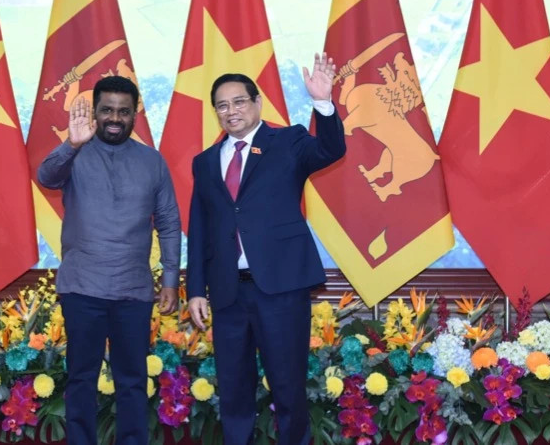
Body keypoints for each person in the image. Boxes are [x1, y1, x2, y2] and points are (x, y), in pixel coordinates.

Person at [186, 53, 345, 445]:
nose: (231, 111)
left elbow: (330, 150)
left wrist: (323, 104)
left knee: (288, 386)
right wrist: (194, 290)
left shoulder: (287, 141)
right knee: (234, 389)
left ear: (257, 103)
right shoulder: (205, 162)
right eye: (222, 105)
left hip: (280, 288)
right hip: (227, 293)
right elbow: (201, 228)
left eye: (239, 101)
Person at [37, 75, 181, 445]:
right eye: (107, 110)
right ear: (96, 113)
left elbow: (168, 222)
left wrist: (169, 280)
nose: (115, 118)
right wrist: (71, 144)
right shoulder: (75, 151)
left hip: (133, 291)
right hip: (82, 287)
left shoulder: (152, 161)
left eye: (123, 111)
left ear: (135, 114)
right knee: (81, 378)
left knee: (132, 380)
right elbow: (46, 177)